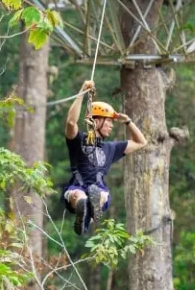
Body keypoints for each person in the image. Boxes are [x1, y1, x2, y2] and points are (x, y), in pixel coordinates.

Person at [62, 80, 147, 235]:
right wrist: (82, 91)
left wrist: (128, 122)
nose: (111, 125)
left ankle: (90, 212)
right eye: (108, 121)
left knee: (100, 195)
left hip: (99, 190)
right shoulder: (78, 140)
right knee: (79, 196)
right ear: (96, 121)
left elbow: (141, 142)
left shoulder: (111, 148)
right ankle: (85, 211)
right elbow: (71, 122)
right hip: (77, 187)